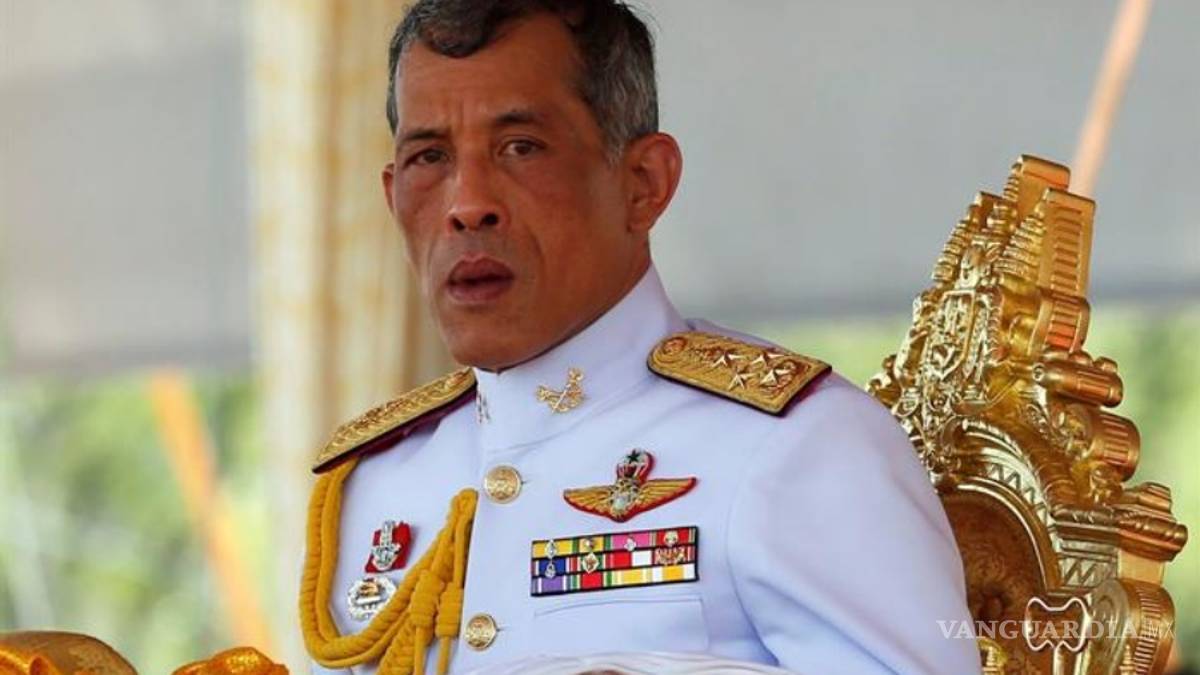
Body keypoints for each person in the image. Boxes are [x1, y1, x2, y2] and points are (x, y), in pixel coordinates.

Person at [299, 2, 981, 673]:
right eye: (429, 157)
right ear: (391, 197)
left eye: (521, 147)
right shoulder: (375, 484)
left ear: (644, 184)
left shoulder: (796, 446)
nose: (466, 204)